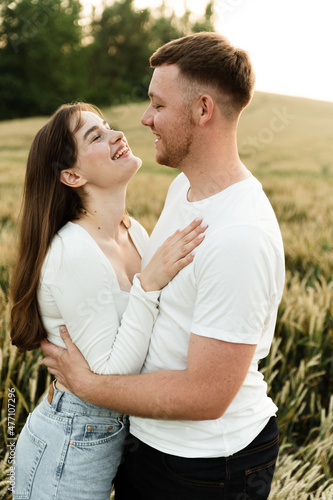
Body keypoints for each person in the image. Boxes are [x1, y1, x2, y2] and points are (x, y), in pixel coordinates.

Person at [41, 32, 285, 500]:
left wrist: (88, 385)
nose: (143, 118)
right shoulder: (185, 191)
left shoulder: (240, 236)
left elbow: (206, 396)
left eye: (157, 104)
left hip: (208, 469)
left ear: (202, 110)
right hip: (151, 447)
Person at [10, 101, 207, 500]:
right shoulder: (74, 251)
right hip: (70, 444)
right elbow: (110, 372)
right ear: (71, 174)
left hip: (122, 432)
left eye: (108, 125)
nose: (118, 135)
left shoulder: (133, 231)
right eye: (94, 136)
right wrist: (147, 284)